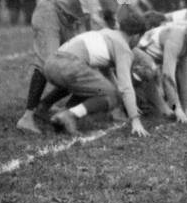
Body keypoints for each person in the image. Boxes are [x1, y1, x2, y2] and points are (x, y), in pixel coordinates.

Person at [15, 0, 152, 133]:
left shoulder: (121, 0)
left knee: (79, 66)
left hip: (72, 22)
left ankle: (44, 107)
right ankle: (27, 117)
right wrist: (93, 14)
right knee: (49, 62)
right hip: (52, 10)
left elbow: (116, 34)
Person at [44, 9, 152, 138]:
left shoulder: (107, 33)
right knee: (110, 95)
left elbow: (105, 73)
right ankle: (69, 115)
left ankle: (43, 107)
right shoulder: (123, 48)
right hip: (69, 67)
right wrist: (135, 119)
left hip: (51, 64)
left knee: (97, 85)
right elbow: (125, 86)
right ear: (136, 36)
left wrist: (129, 103)